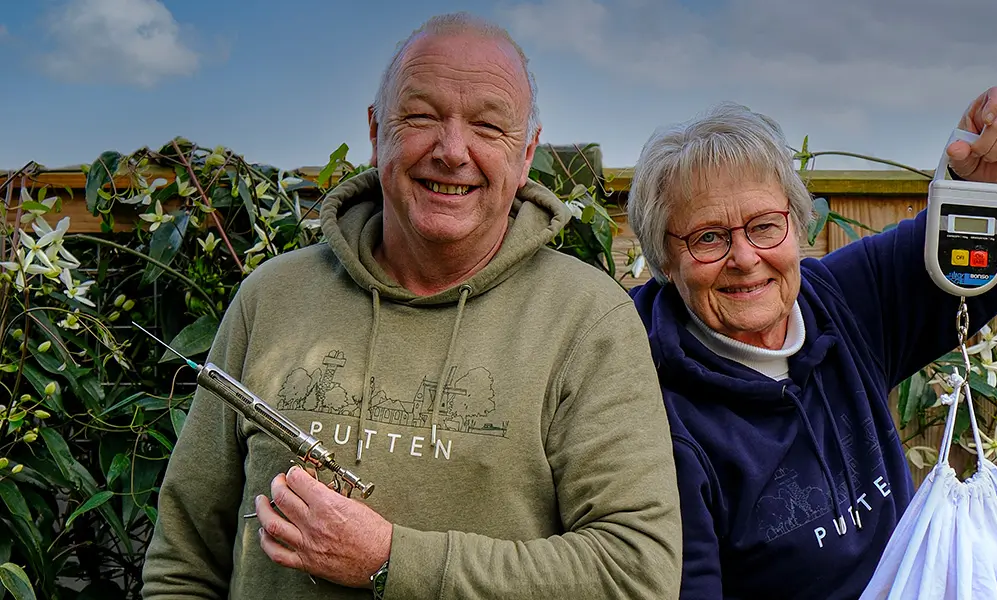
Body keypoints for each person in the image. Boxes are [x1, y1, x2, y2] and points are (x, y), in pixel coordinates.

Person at [141, 12, 682, 600]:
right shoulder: (271, 298)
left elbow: (635, 573)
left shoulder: (587, 318)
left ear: (526, 152)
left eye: (488, 126)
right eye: (421, 117)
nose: (452, 151)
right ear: (377, 132)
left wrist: (391, 561)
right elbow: (183, 563)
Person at [625, 89, 997, 599]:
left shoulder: (843, 302)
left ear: (798, 225)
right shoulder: (650, 407)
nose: (745, 258)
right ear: (664, 258)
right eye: (708, 238)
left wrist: (983, 183)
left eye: (765, 226)